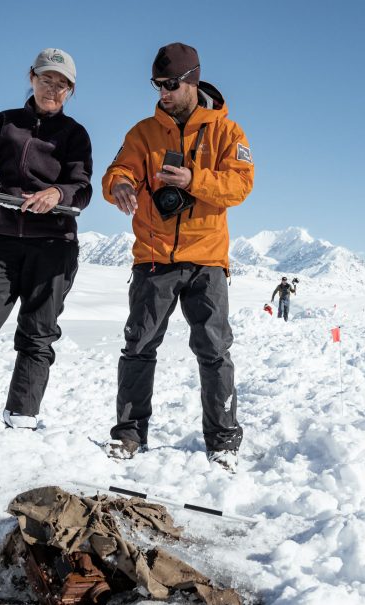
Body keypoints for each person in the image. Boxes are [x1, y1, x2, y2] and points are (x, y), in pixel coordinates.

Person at [102, 43, 254, 471]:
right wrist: (119, 186)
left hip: (207, 259)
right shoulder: (142, 133)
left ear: (192, 81)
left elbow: (240, 186)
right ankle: (129, 435)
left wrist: (193, 179)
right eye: (157, 85)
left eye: (170, 85)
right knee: (139, 346)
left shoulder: (229, 133)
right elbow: (118, 170)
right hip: (153, 256)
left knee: (214, 350)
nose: (163, 93)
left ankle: (223, 440)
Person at [0, 48, 93, 430]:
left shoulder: (75, 135)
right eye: (47, 80)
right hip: (2, 238)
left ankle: (21, 420)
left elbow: (82, 187)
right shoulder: (5, 123)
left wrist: (57, 194)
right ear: (31, 77)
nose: (53, 89)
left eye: (62, 85)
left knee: (37, 335)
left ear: (71, 91)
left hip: (54, 244)